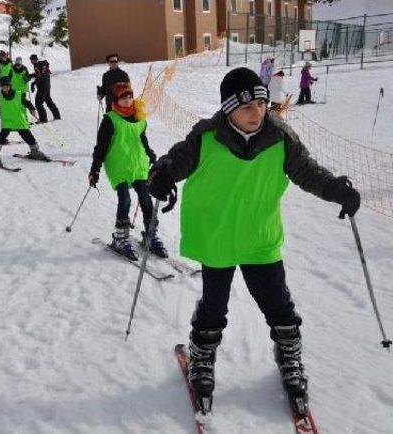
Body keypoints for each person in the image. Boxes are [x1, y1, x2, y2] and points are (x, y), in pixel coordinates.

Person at [147, 67, 361, 417]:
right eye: (247, 106)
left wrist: (335, 189)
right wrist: (162, 174)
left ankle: (289, 356)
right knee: (214, 307)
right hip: (217, 237)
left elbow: (306, 171)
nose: (257, 112)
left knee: (278, 304)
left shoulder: (280, 137)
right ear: (228, 109)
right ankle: (202, 357)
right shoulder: (206, 136)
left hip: (259, 238)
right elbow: (178, 159)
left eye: (261, 103)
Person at [88, 82, 166, 260]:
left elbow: (142, 138)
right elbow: (100, 147)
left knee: (146, 200)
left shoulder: (139, 117)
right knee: (125, 199)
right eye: (123, 97)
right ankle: (120, 237)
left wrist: (150, 152)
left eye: (130, 96)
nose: (128, 100)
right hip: (118, 165)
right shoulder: (110, 119)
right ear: (116, 100)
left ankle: (150, 235)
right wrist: (95, 170)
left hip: (138, 164)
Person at [0, 76, 49, 166]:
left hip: (19, 120)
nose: (5, 88)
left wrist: (32, 109)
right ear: (1, 87)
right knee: (1, 137)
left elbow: (27, 103)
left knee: (27, 136)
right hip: (7, 121)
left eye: (7, 86)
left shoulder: (18, 94)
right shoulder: (0, 97)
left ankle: (35, 152)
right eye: (3, 86)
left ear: (10, 86)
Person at [29, 54, 61, 123]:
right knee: (49, 101)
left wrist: (33, 83)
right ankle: (57, 116)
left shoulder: (38, 65)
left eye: (31, 60)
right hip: (47, 86)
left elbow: (40, 76)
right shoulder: (42, 64)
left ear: (34, 59)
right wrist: (30, 76)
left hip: (42, 87)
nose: (31, 61)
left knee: (38, 103)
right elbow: (38, 74)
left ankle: (43, 119)